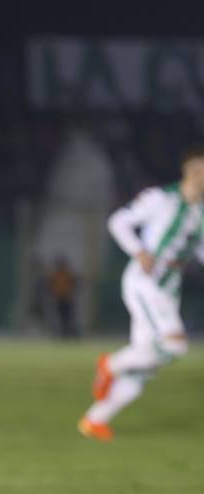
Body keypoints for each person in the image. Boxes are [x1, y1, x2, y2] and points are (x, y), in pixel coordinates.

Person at [80, 145, 204, 442]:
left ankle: (94, 420)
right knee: (174, 345)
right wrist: (139, 251)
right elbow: (117, 222)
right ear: (186, 171)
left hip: (168, 288)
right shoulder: (160, 199)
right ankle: (110, 364)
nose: (202, 177)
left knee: (146, 367)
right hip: (144, 282)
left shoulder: (201, 214)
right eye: (198, 170)